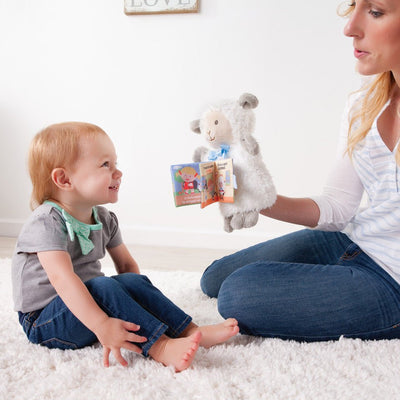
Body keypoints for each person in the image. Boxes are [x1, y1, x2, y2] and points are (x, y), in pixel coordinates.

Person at [200, 0, 400, 342]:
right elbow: (338, 206)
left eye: (376, 12)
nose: (349, 27)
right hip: (353, 239)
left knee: (238, 292)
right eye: (354, 6)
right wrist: (255, 196)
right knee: (215, 278)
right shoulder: (363, 105)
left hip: (391, 278)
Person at [12, 122, 239, 372]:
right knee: (103, 284)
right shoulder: (47, 221)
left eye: (115, 164)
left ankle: (190, 331)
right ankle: (160, 347)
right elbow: (62, 279)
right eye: (105, 165)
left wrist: (134, 301)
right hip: (46, 320)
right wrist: (101, 324)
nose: (118, 173)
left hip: (91, 303)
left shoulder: (104, 218)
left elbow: (127, 266)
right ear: (64, 179)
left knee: (132, 281)